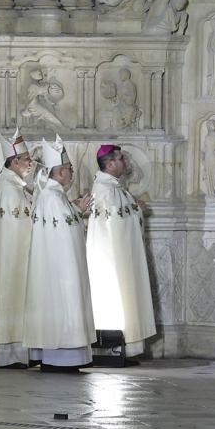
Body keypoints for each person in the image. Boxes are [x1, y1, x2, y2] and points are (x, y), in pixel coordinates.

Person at [24, 138, 95, 369]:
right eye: (70, 169)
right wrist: (78, 212)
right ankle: (61, 359)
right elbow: (66, 234)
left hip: (53, 269)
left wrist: (75, 209)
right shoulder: (53, 198)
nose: (73, 173)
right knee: (62, 307)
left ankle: (59, 358)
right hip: (60, 272)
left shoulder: (51, 196)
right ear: (61, 172)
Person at [86, 144, 156, 357]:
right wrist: (136, 210)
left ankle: (126, 346)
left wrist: (135, 210)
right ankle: (112, 347)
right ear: (109, 164)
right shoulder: (104, 190)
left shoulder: (114, 188)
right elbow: (114, 225)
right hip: (111, 258)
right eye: (120, 158)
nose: (125, 162)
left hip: (120, 256)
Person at [0, 135, 34, 367]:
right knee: (12, 295)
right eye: (26, 159)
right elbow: (19, 230)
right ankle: (10, 354)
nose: (30, 163)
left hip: (13, 255)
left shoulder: (11, 186)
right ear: (13, 162)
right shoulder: (10, 189)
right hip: (14, 258)